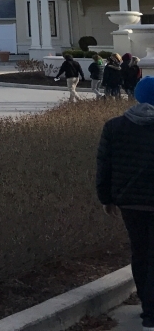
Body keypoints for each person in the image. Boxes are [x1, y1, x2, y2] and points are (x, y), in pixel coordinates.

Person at [98, 76, 154, 331]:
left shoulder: (114, 126)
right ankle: (152, 315)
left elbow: (104, 165)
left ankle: (148, 306)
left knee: (141, 254)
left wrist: (106, 198)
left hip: (131, 204)